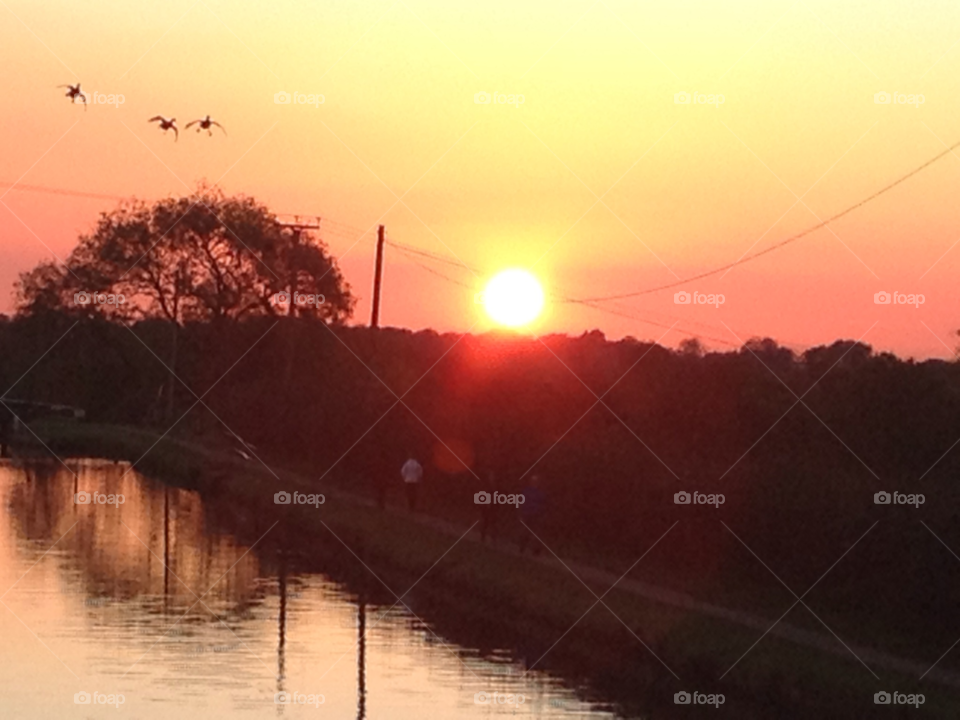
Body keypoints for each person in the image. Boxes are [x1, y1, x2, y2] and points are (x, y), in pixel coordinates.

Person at [518, 474, 546, 556]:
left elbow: (543, 503)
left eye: (535, 481)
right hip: (527, 514)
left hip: (535, 515)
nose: (534, 483)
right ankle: (522, 547)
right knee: (525, 532)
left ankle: (535, 550)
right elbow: (521, 502)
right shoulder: (526, 491)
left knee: (536, 533)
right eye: (533, 481)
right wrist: (521, 513)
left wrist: (541, 513)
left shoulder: (539, 492)